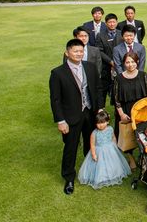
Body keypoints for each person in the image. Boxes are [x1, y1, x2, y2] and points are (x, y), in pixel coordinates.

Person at [50, 38, 103, 195]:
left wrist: (99, 107)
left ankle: (90, 171)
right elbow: (55, 99)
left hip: (90, 112)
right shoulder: (57, 73)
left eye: (81, 51)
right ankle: (69, 178)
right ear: (67, 53)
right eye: (75, 51)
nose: (79, 54)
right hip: (71, 116)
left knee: (91, 143)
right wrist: (61, 120)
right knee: (71, 147)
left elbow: (98, 88)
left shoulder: (90, 67)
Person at [113, 52, 147, 168]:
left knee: (143, 134)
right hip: (126, 111)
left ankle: (143, 156)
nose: (130, 65)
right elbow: (116, 99)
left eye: (133, 62)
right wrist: (121, 114)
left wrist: (145, 112)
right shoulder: (118, 78)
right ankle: (130, 158)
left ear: (137, 62)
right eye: (127, 62)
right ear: (124, 63)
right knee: (127, 136)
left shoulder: (144, 75)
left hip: (142, 110)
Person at [78, 110, 131, 189]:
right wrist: (93, 154)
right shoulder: (94, 133)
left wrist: (115, 146)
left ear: (107, 122)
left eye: (103, 122)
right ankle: (102, 177)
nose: (100, 125)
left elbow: (113, 137)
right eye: (98, 123)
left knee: (112, 163)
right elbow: (92, 145)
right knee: (101, 165)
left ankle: (113, 174)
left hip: (110, 149)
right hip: (99, 151)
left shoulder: (110, 129)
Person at [95, 13, 122, 105]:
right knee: (104, 89)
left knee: (118, 89)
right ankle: (101, 109)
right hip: (106, 66)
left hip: (120, 66)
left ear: (117, 22)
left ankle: (118, 107)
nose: (112, 24)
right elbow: (99, 51)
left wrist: (117, 62)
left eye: (114, 22)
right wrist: (110, 61)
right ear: (106, 23)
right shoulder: (100, 35)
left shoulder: (121, 34)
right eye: (109, 22)